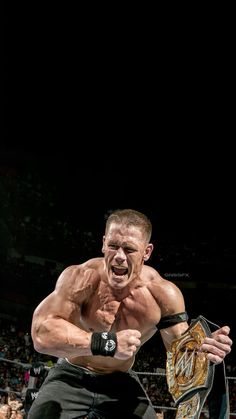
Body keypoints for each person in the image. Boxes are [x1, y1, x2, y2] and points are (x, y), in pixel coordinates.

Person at [28, 209, 232, 418]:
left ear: (147, 252)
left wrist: (202, 351)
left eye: (129, 249)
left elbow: (179, 355)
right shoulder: (80, 278)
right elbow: (41, 333)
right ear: (103, 243)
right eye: (113, 246)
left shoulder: (162, 294)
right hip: (71, 375)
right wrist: (109, 343)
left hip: (120, 383)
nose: (119, 257)